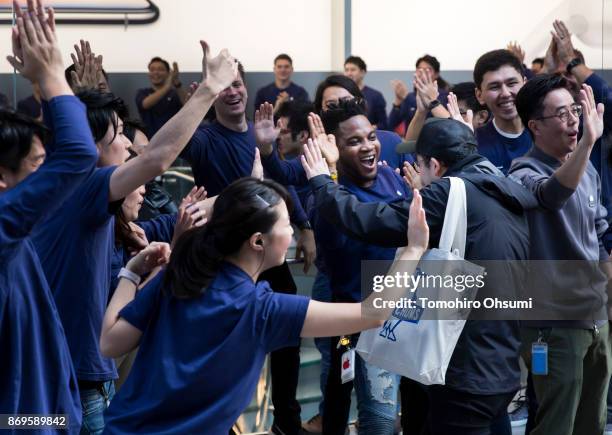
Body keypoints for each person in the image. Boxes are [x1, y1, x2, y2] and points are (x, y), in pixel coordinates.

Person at [99, 177, 429, 435]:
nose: (293, 233)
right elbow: (373, 313)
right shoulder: (264, 310)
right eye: (287, 224)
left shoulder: (177, 274)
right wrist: (413, 248)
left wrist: (131, 273)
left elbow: (110, 343)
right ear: (258, 241)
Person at [31, 43, 237, 434]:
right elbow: (156, 157)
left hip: (80, 378)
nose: (128, 144)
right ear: (87, 146)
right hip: (71, 384)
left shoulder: (80, 196)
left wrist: (132, 270)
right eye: (121, 133)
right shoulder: (80, 186)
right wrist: (210, 87)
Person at [301, 115, 539, 435]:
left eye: (420, 162)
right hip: (502, 364)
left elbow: (371, 221)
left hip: (462, 369)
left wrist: (322, 181)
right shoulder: (503, 189)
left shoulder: (448, 193)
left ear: (436, 166)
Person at [180, 61, 314, 435]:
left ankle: (287, 422)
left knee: (288, 340)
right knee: (227, 346)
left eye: (236, 84)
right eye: (223, 86)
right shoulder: (205, 138)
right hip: (226, 261)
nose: (233, 91)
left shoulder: (260, 136)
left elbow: (278, 185)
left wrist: (304, 226)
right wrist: (193, 112)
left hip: (268, 257)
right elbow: (180, 144)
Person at [0, 1, 98, 432]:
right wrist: (52, 74)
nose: (49, 176)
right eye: (39, 165)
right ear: (3, 177)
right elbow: (78, 154)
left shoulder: (17, 236)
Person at [510, 75, 611, 435]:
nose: (573, 121)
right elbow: (552, 195)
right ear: (534, 126)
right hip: (551, 327)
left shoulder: (589, 171)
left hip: (595, 318)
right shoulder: (522, 172)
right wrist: (587, 144)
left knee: (593, 423)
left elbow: (599, 236)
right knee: (556, 424)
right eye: (562, 114)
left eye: (575, 111)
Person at [313, 98, 411, 434]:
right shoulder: (330, 195)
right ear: (334, 148)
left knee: (408, 410)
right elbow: (335, 244)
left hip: (403, 317)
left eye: (370, 136)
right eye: (354, 141)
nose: (368, 146)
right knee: (355, 401)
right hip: (354, 324)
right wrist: (329, 173)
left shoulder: (390, 176)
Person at [474, 49, 533, 174]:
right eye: (494, 87)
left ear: (525, 84)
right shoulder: (474, 146)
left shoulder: (546, 135)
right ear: (479, 95)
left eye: (512, 83)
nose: (505, 94)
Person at [122, 119, 178, 220]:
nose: (151, 156)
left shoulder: (153, 188)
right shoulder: (130, 202)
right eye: (144, 151)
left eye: (151, 149)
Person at [389, 54, 450, 134]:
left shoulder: (443, 95)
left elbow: (435, 118)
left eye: (428, 70)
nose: (422, 73)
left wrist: (406, 97)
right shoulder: (410, 96)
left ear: (436, 74)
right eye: (419, 69)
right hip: (412, 142)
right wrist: (397, 103)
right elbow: (390, 125)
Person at [135, 56, 186, 138]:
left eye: (160, 69)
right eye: (152, 70)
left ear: (168, 73)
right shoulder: (142, 92)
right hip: (150, 141)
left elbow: (187, 105)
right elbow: (145, 104)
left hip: (174, 140)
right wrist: (168, 85)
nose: (156, 72)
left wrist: (176, 82)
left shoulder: (175, 93)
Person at [344, 55, 388, 129]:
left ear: (362, 72)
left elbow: (384, 124)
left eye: (353, 70)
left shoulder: (376, 96)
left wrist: (372, 128)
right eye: (346, 70)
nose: (349, 73)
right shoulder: (341, 94)